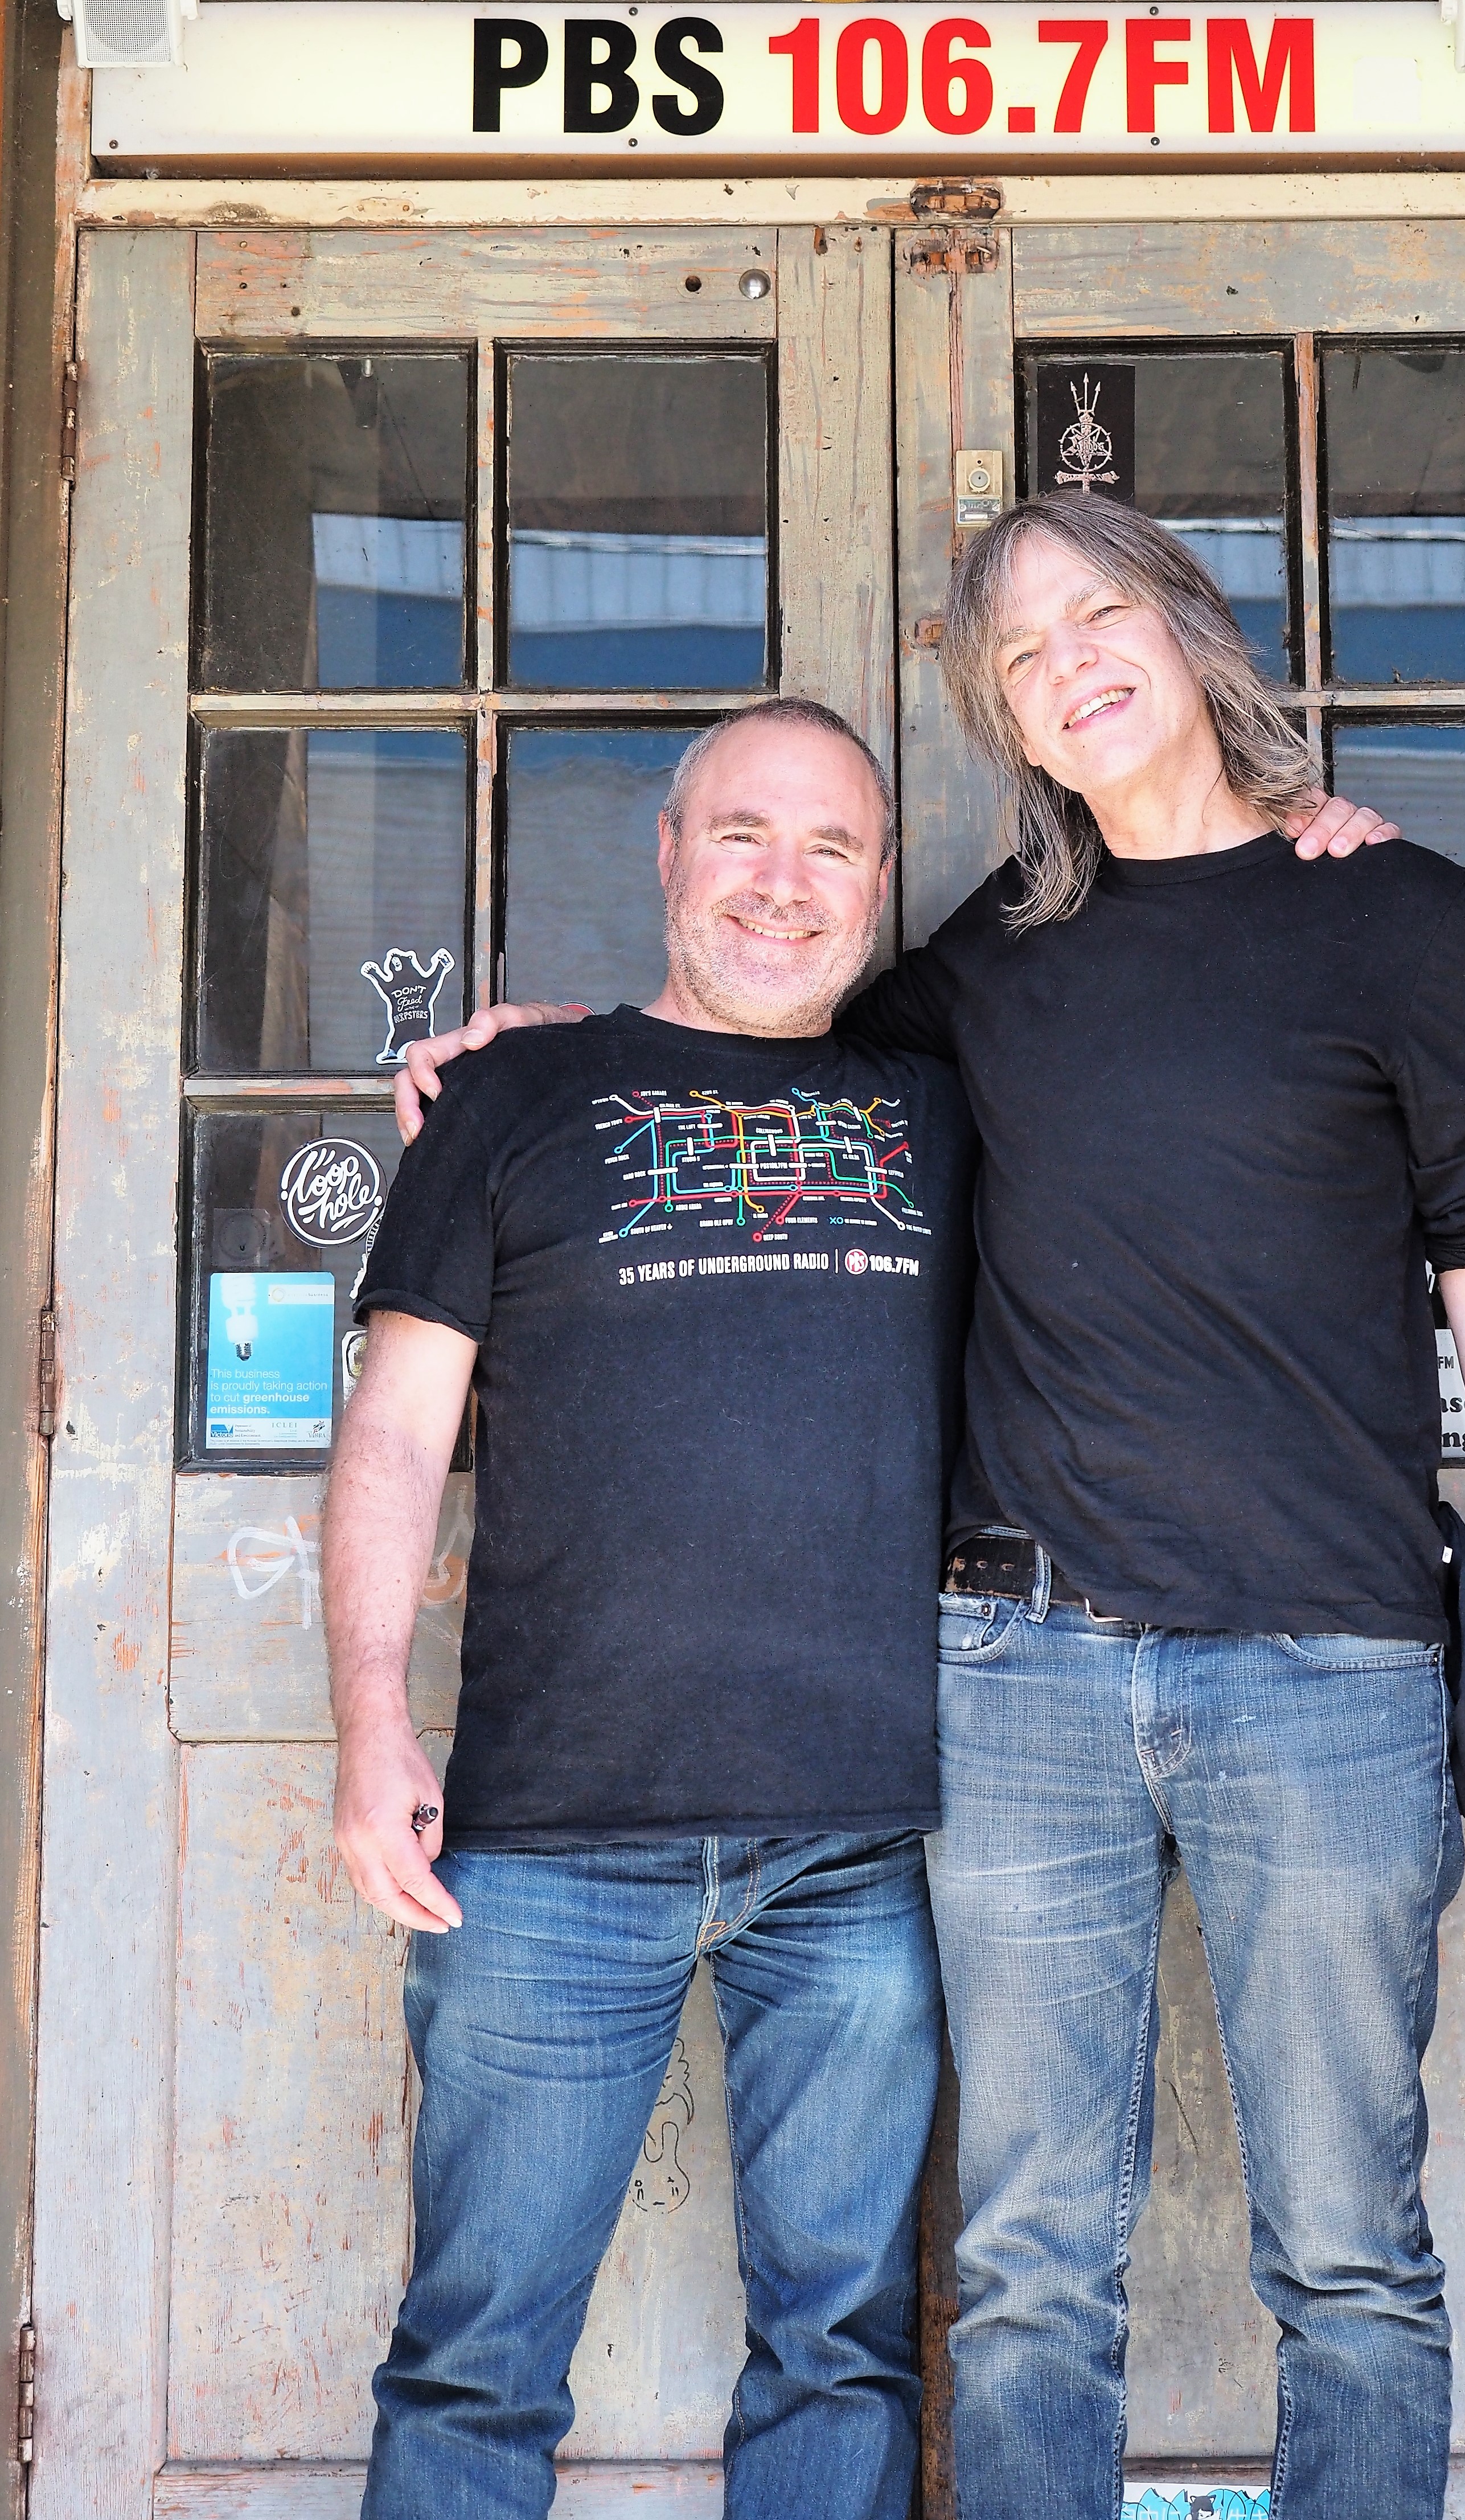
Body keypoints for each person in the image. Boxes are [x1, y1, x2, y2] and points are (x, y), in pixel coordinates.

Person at [394, 523, 1465, 2520]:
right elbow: (731, 1028)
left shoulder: (1380, 914)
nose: (1070, 664)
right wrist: (530, 1055)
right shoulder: (979, 973)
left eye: (1101, 615)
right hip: (988, 1688)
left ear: (1186, 626)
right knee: (1006, 2276)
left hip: (1282, 1671)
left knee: (1333, 2260)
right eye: (1019, 651)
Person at [327, 698, 978, 2520]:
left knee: (843, 2347)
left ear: (877, 888)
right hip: (548, 1838)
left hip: (863, 1838)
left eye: (831, 847)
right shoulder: (511, 1098)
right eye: (743, 834)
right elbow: (397, 1430)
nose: (783, 882)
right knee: (473, 2359)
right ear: (670, 854)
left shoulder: (949, 1111)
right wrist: (371, 1722)